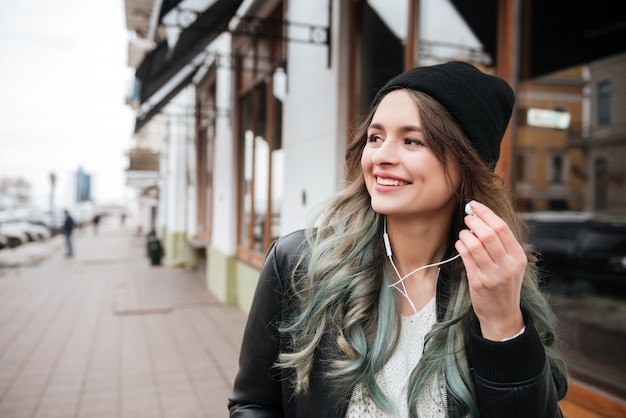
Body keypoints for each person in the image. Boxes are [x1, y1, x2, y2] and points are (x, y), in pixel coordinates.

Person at [228, 61, 568, 417]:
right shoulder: (298, 262)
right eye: (375, 137)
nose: (382, 157)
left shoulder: (498, 280)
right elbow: (254, 403)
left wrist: (502, 325)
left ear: (466, 163)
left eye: (412, 140)